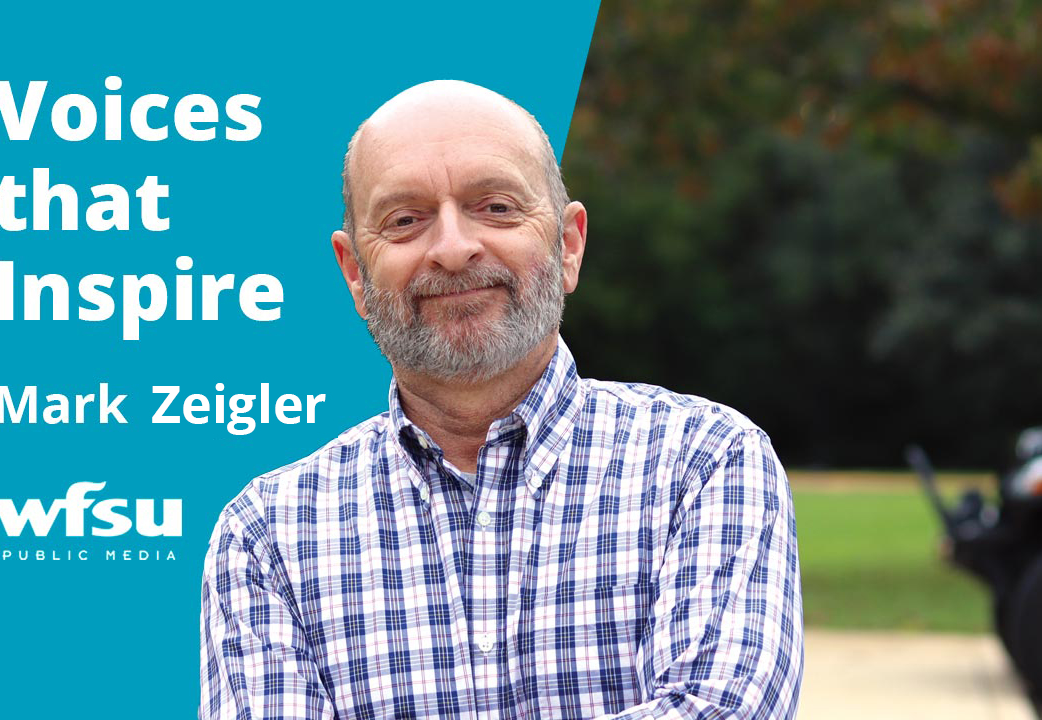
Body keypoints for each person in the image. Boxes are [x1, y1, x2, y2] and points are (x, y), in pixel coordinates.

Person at [200, 80, 803, 720]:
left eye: (495, 207)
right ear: (354, 272)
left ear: (568, 244)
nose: (454, 248)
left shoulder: (706, 464)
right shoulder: (267, 534)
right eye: (405, 220)